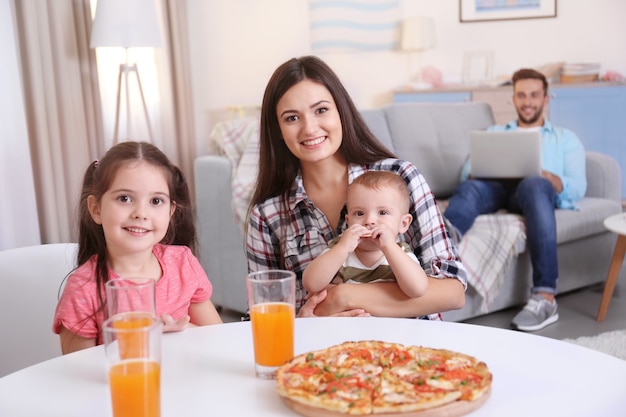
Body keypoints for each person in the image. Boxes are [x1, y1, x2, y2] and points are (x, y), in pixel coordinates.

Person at [246, 55, 466, 319]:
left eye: (321, 110)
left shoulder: (400, 176)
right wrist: (304, 320)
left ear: (341, 110)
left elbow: (452, 292)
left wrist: (343, 298)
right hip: (324, 353)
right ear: (278, 130)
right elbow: (262, 316)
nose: (310, 128)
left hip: (413, 349)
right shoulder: (267, 215)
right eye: (292, 118)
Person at [444, 68, 587, 332]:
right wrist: (478, 169)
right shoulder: (496, 131)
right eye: (521, 95)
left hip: (533, 195)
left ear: (546, 99)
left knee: (535, 183)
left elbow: (578, 187)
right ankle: (440, 245)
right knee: (473, 185)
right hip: (497, 190)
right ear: (513, 98)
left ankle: (545, 297)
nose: (528, 102)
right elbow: (466, 174)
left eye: (534, 95)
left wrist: (552, 179)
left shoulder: (565, 139)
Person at [54, 141, 222, 354]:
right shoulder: (83, 289)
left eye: (156, 201)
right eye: (125, 198)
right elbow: (77, 377)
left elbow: (218, 340)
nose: (141, 213)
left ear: (171, 211)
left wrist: (184, 329)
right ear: (96, 208)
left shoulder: (182, 263)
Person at [303, 171, 428, 300]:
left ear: (403, 223)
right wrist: (343, 248)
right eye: (359, 213)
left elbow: (417, 290)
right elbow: (311, 284)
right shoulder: (340, 248)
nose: (369, 220)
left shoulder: (400, 253)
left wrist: (389, 247)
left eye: (382, 212)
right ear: (348, 221)